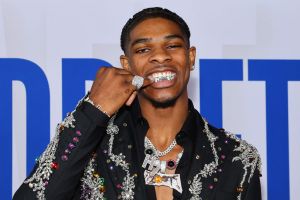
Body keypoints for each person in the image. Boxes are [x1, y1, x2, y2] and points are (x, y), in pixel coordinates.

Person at [13, 7, 262, 200]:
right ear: (127, 64)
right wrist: (92, 110)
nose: (160, 56)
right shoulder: (93, 147)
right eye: (143, 50)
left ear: (190, 57)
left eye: (172, 46)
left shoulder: (237, 158)